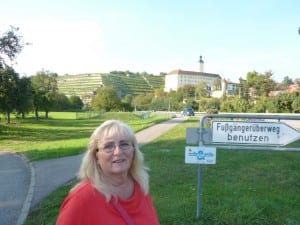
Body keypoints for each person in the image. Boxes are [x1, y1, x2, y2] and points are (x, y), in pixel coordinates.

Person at [56, 120, 160, 225]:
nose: (118, 152)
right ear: (96, 156)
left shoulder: (140, 185)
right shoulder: (81, 200)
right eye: (108, 146)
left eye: (124, 144)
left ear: (133, 150)